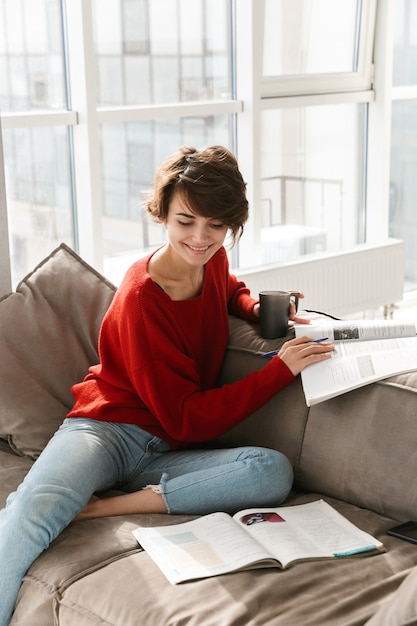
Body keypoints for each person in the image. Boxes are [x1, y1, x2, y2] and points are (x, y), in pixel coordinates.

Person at [0, 145, 334, 625]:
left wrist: (253, 309)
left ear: (229, 227)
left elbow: (228, 283)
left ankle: (97, 509)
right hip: (108, 432)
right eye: (185, 222)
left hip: (166, 450)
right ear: (162, 215)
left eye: (216, 226)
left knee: (271, 471)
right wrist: (278, 371)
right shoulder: (142, 298)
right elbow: (186, 417)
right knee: (33, 508)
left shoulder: (209, 261)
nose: (200, 238)